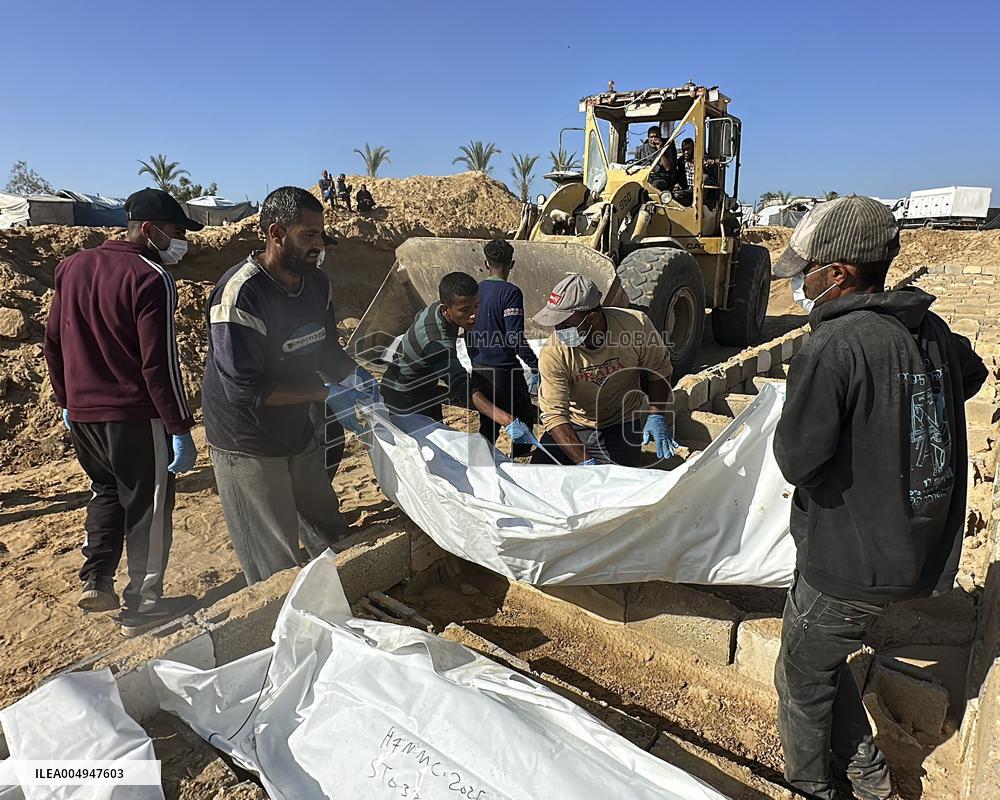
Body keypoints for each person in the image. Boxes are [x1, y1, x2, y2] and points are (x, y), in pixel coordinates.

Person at [770, 195, 988, 800]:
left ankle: (816, 787)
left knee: (801, 676)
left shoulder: (833, 346)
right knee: (819, 659)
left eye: (805, 270)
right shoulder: (929, 327)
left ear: (836, 274)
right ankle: (869, 781)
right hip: (913, 546)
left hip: (849, 558)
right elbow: (969, 378)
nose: (800, 283)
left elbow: (796, 459)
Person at [43, 188, 201, 638]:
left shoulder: (71, 266)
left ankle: (97, 578)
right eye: (174, 232)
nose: (179, 242)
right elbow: (160, 363)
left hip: (85, 414)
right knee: (150, 505)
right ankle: (145, 603)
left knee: (106, 491)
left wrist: (65, 401)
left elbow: (52, 341)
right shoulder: (150, 276)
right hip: (135, 414)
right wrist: (179, 426)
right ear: (148, 230)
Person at [202, 186, 377, 585]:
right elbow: (244, 392)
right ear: (276, 233)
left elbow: (325, 347)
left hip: (298, 427)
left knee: (325, 522)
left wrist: (353, 377)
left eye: (321, 235)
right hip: (246, 437)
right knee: (274, 558)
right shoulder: (241, 295)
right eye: (308, 235)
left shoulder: (316, 284)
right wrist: (325, 394)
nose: (319, 245)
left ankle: (343, 592)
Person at [531, 274, 676, 467]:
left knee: (619, 487)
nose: (558, 330)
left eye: (565, 325)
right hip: (574, 423)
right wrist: (586, 463)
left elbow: (659, 368)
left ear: (591, 317)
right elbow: (554, 415)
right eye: (556, 325)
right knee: (538, 477)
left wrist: (656, 415)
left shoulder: (634, 326)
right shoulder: (554, 352)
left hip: (620, 422)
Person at [379, 272, 533, 448]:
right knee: (418, 450)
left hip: (426, 392)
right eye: (465, 310)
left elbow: (419, 318)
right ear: (446, 309)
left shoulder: (436, 309)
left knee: (437, 443)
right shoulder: (435, 342)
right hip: (402, 397)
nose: (474, 315)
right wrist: (506, 419)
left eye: (476, 306)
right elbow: (461, 384)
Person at [467, 239, 539, 458]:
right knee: (523, 419)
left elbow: (468, 331)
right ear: (512, 264)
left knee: (488, 424)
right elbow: (515, 336)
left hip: (481, 369)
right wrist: (535, 365)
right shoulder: (511, 293)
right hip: (506, 371)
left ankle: (482, 466)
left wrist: (476, 361)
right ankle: (520, 464)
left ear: (486, 263)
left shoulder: (475, 291)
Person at [675, 137, 719, 207]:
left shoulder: (701, 158)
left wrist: (710, 162)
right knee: (676, 195)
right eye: (684, 150)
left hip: (701, 192)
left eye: (688, 149)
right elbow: (678, 175)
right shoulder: (681, 161)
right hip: (688, 191)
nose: (686, 152)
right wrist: (677, 185)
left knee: (705, 177)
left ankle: (700, 203)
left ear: (693, 149)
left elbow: (709, 161)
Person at [633, 126, 679, 191]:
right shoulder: (641, 149)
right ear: (648, 138)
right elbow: (635, 167)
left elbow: (668, 168)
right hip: (646, 177)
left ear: (660, 136)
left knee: (656, 184)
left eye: (656, 137)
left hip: (661, 178)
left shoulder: (666, 148)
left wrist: (661, 150)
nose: (653, 139)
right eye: (651, 137)